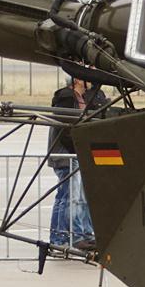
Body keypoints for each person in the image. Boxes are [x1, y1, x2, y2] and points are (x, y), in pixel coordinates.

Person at [48, 76, 107, 250]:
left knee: (71, 197)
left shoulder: (83, 97)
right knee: (70, 198)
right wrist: (79, 147)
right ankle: (66, 238)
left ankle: (70, 237)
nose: (91, 80)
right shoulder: (67, 98)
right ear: (79, 81)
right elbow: (65, 128)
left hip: (75, 153)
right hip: (67, 154)